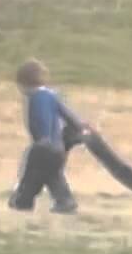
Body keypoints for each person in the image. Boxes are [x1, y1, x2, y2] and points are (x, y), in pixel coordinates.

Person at [7, 59, 79, 215]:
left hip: (42, 146)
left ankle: (22, 200)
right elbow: (69, 116)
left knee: (30, 174)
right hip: (58, 147)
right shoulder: (53, 96)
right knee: (53, 175)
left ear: (24, 83)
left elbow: (40, 120)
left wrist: (42, 140)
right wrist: (79, 128)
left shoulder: (35, 98)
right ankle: (65, 200)